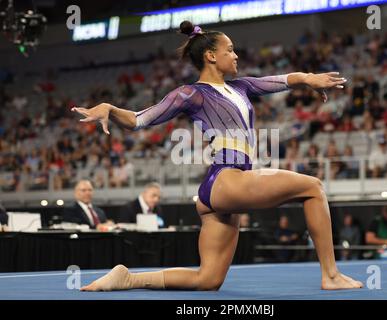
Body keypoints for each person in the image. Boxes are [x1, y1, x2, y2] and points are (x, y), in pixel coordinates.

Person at [73, 21, 362, 291]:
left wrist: (310, 79)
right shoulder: (191, 94)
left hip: (219, 192)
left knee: (208, 279)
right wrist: (109, 108)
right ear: (211, 56)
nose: (236, 56)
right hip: (227, 177)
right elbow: (139, 120)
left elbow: (284, 79)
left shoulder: (242, 87)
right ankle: (331, 275)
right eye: (230, 50)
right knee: (313, 187)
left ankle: (128, 278)